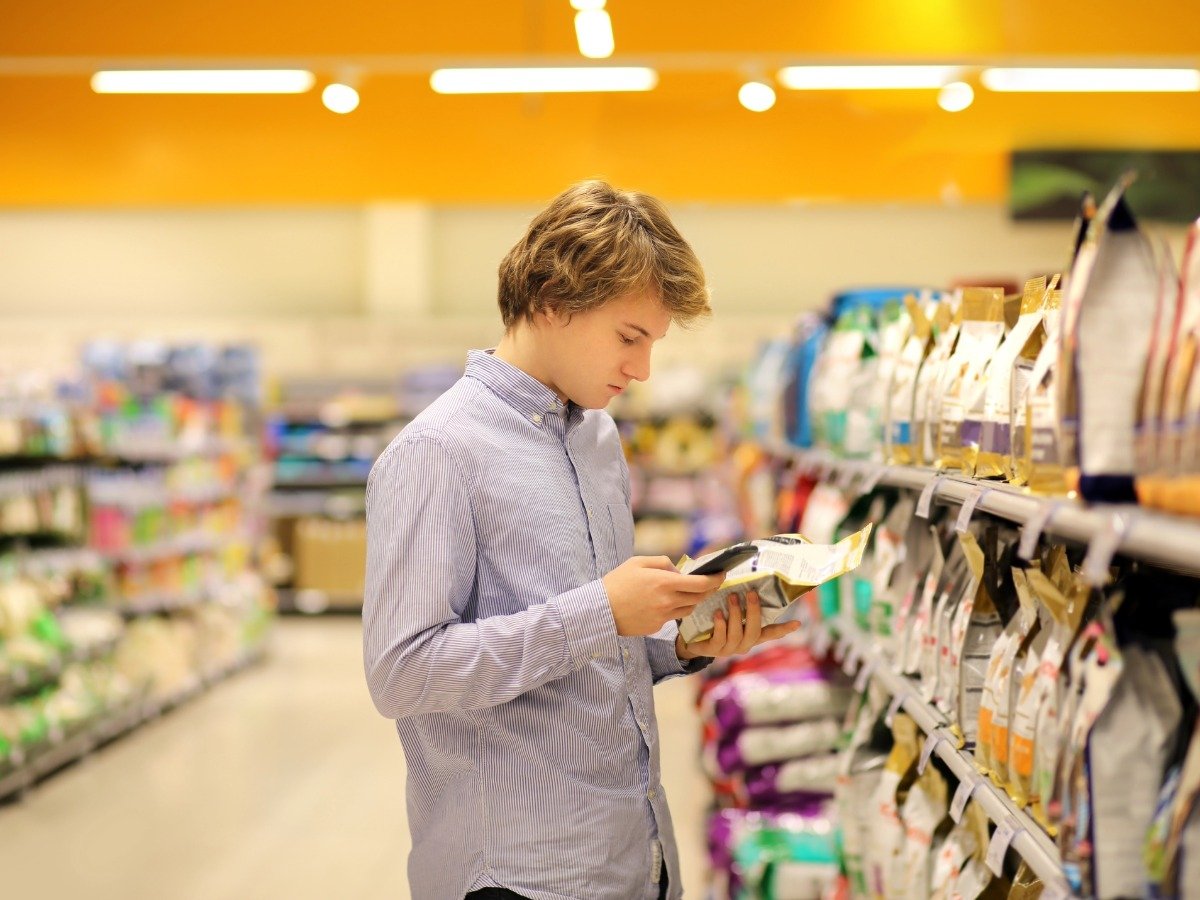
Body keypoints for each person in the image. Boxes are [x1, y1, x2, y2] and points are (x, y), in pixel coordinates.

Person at [363, 180, 800, 900]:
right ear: (550, 301)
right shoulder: (435, 453)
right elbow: (402, 674)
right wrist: (601, 610)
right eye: (629, 338)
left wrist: (683, 639)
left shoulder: (597, 437)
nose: (642, 369)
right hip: (520, 877)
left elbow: (592, 649)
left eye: (654, 343)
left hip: (633, 856)